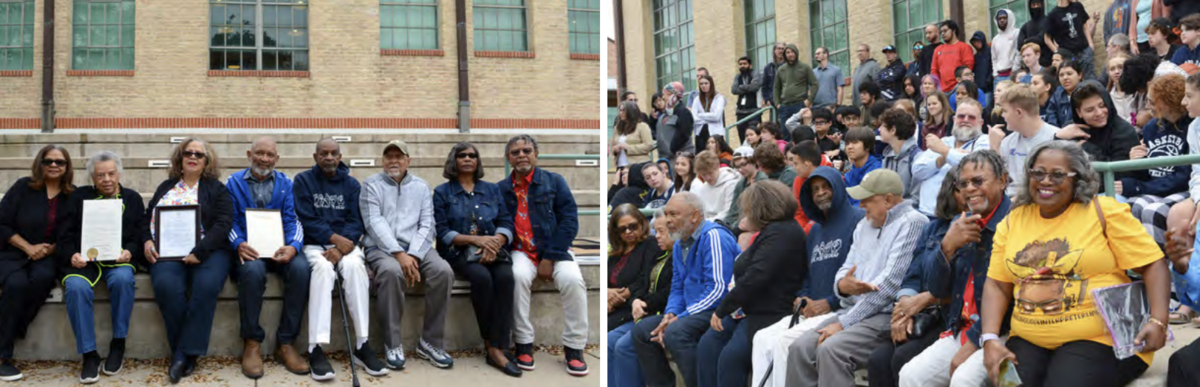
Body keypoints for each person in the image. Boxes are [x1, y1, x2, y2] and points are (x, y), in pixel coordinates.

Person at [980, 141, 1170, 387]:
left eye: (1058, 175)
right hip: (1029, 338)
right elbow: (997, 283)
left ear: (1077, 178)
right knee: (1006, 384)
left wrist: (1158, 321)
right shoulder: (1014, 219)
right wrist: (990, 339)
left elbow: (1153, 264)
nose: (1046, 181)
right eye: (1038, 173)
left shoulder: (1104, 211)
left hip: (1100, 339)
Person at [785, 168, 929, 387]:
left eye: (867, 200)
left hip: (883, 314)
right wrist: (842, 286)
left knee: (831, 350)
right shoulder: (864, 225)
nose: (861, 206)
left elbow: (888, 288)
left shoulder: (913, 222)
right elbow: (844, 270)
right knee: (799, 348)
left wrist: (843, 324)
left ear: (889, 200)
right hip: (852, 310)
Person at [897, 151, 1012, 387]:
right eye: (964, 184)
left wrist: (972, 341)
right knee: (910, 375)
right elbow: (937, 289)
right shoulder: (962, 223)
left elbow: (1008, 301)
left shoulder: (1015, 222)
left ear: (1002, 180)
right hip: (963, 326)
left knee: (964, 380)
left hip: (1004, 331)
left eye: (978, 181)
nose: (970, 189)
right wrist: (947, 247)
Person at [750, 166, 863, 387]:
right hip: (812, 310)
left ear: (838, 187)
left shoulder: (858, 220)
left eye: (825, 187)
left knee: (784, 342)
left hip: (842, 309)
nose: (820, 193)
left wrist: (829, 302)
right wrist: (803, 298)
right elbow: (807, 274)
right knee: (761, 338)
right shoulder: (815, 230)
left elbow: (859, 273)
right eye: (815, 189)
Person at [141, 138, 233, 384]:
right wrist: (147, 242)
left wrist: (200, 251)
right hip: (168, 253)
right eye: (188, 153)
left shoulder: (216, 189)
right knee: (166, 286)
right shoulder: (166, 187)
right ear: (179, 158)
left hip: (210, 252)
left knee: (205, 286)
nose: (193, 157)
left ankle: (181, 355)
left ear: (206, 162)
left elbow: (224, 223)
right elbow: (147, 218)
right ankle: (188, 352)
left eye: (199, 155)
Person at [697, 181, 806, 387]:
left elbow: (757, 276)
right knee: (708, 345)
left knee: (731, 359)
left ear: (759, 209)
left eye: (748, 209)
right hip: (748, 309)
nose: (745, 214)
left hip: (770, 312)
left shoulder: (783, 233)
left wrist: (722, 309)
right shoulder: (770, 232)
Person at [498, 135, 589, 376]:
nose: (521, 156)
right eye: (515, 152)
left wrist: (550, 257)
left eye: (526, 150)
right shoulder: (501, 189)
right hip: (521, 251)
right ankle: (524, 343)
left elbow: (569, 222)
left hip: (555, 250)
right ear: (508, 158)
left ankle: (574, 347)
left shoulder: (554, 182)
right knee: (516, 277)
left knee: (573, 281)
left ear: (536, 154)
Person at [361, 140, 454, 373]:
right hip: (381, 249)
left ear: (408, 161)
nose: (394, 161)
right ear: (383, 161)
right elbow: (374, 223)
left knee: (443, 272)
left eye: (399, 156)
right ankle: (392, 344)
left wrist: (412, 253)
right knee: (392, 272)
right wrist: (399, 254)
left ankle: (430, 342)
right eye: (389, 157)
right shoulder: (371, 185)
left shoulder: (421, 187)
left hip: (417, 248)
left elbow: (427, 224)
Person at [430, 141, 520, 376]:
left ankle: (499, 343)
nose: (468, 159)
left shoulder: (492, 190)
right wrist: (475, 241)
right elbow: (441, 231)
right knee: (482, 279)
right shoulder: (442, 192)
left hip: (493, 249)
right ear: (454, 160)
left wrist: (496, 241)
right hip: (459, 253)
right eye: (462, 155)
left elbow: (506, 221)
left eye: (473, 155)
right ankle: (492, 345)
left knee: (506, 278)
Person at [631, 192, 740, 387]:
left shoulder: (713, 236)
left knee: (675, 332)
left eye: (674, 214)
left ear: (695, 216)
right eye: (667, 214)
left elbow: (718, 290)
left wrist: (682, 316)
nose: (669, 220)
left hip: (719, 310)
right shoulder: (680, 243)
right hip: (690, 311)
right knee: (642, 331)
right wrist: (671, 313)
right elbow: (677, 287)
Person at [291, 138, 379, 380]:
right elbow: (305, 217)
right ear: (315, 156)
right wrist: (331, 238)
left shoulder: (351, 184)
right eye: (324, 153)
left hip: (346, 245)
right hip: (314, 244)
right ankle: (315, 347)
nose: (329, 157)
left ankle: (362, 343)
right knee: (322, 269)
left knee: (355, 269)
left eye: (333, 153)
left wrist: (341, 247)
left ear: (340, 157)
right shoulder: (303, 181)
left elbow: (356, 220)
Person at [868, 168, 963, 387]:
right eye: (962, 186)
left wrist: (925, 300)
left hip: (948, 315)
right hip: (920, 313)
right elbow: (913, 276)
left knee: (903, 359)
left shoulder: (979, 231)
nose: (970, 191)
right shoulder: (932, 229)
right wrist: (904, 308)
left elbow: (967, 286)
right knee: (878, 360)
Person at [226, 137, 310, 379]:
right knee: (252, 272)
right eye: (259, 153)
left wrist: (293, 246)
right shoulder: (233, 183)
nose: (264, 159)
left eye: (269, 155)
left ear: (277, 159)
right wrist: (238, 243)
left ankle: (286, 343)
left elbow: (293, 220)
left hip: (279, 248)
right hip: (248, 249)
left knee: (302, 269)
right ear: (249, 155)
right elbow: (229, 220)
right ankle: (252, 343)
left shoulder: (286, 184)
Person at [57, 151, 140, 384]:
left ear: (119, 173)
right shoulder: (78, 197)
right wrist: (71, 255)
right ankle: (89, 354)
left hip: (117, 261)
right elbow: (64, 235)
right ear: (92, 178)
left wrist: (129, 251)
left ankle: (118, 343)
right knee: (75, 287)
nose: (106, 179)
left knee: (123, 280)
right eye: (100, 175)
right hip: (83, 263)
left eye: (111, 174)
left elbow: (138, 235)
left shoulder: (132, 198)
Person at [0, 145, 73, 382]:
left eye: (59, 162)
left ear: (66, 167)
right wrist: (28, 247)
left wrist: (49, 249)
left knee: (42, 279)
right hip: (13, 252)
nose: (53, 165)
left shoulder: (71, 195)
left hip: (49, 254)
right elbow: (2, 223)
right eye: (48, 161)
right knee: (16, 284)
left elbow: (70, 232)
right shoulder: (23, 187)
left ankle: (15, 326)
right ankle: (3, 356)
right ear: (40, 164)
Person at [1126, 74, 1193, 246]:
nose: (1148, 106)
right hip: (1157, 187)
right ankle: (1139, 264)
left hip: (1184, 189)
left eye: (1153, 102)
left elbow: (1183, 176)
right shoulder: (1151, 127)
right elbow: (1148, 172)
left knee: (1153, 211)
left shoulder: (1190, 127)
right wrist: (1137, 161)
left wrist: (1140, 187)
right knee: (1132, 205)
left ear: (1169, 102)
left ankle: (1160, 264)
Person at [610, 211, 675, 387]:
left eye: (661, 231)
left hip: (661, 313)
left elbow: (670, 291)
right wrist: (636, 300)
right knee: (610, 340)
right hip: (643, 311)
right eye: (622, 229)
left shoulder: (656, 249)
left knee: (623, 346)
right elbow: (645, 284)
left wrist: (641, 302)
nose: (657, 237)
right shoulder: (661, 254)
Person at [913, 98, 992, 217]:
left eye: (971, 117)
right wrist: (942, 158)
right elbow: (917, 171)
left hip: (959, 217)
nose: (965, 120)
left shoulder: (984, 141)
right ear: (954, 120)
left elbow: (975, 168)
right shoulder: (945, 141)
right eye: (961, 116)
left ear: (981, 123)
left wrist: (943, 151)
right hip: (925, 213)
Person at [992, 84, 1061, 196]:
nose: (1003, 115)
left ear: (1019, 113)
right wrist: (994, 149)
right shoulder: (1007, 142)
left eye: (1005, 111)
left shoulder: (1055, 138)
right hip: (1009, 201)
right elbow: (997, 181)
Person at [1052, 80, 1140, 167]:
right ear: (1079, 112)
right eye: (1090, 110)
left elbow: (1121, 173)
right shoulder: (1071, 130)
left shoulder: (1124, 132)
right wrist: (1059, 137)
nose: (1098, 113)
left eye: (1102, 106)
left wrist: (1088, 149)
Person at [774, 44, 820, 142]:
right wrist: (777, 103)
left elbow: (815, 84)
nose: (790, 54)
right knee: (785, 134)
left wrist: (809, 101)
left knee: (800, 133)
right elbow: (776, 87)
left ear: (796, 53)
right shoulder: (781, 70)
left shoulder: (805, 67)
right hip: (784, 106)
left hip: (800, 104)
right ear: (785, 55)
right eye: (788, 52)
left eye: (792, 52)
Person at [788, 141, 834, 232]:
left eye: (796, 164)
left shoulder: (832, 177)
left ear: (806, 164)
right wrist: (800, 232)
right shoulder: (798, 181)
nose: (794, 167)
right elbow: (799, 213)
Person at [880, 108, 923, 204]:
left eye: (882, 126)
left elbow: (916, 199)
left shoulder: (917, 158)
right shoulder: (887, 157)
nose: (879, 129)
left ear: (893, 130)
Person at [1044, 0, 1095, 81]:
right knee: (1073, 82)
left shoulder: (1077, 6)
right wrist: (1058, 53)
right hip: (1069, 56)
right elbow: (1047, 39)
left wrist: (1091, 44)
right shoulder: (1052, 15)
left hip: (1084, 51)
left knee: (1091, 80)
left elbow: (1084, 26)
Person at [723, 147, 767, 231]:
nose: (740, 170)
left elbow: (760, 212)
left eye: (743, 164)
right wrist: (726, 224)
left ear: (753, 161)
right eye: (737, 167)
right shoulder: (740, 184)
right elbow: (733, 211)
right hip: (739, 225)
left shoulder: (763, 180)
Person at [690, 151, 741, 222]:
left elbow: (729, 212)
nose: (708, 178)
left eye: (710, 173)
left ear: (717, 167)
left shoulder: (731, 183)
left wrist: (706, 223)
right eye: (704, 175)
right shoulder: (704, 187)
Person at [933, 20, 975, 93]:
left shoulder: (964, 47)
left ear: (953, 30)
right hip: (942, 90)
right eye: (941, 32)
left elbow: (968, 68)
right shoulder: (937, 50)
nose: (943, 34)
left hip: (960, 88)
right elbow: (934, 70)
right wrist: (938, 86)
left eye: (945, 31)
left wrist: (961, 84)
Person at [844, 126, 883, 206]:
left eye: (855, 142)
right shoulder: (848, 172)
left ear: (867, 146)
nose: (849, 147)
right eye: (847, 143)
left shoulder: (878, 170)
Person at [658, 82, 696, 159]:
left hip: (681, 157)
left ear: (671, 94)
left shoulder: (683, 112)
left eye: (664, 94)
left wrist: (671, 149)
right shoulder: (668, 113)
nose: (663, 97)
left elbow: (684, 134)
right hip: (669, 156)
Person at [613, 101, 656, 168]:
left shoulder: (642, 126)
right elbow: (613, 146)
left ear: (631, 112)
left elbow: (648, 145)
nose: (620, 113)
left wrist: (628, 148)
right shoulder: (617, 128)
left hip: (638, 164)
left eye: (624, 110)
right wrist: (615, 149)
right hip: (620, 165)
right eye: (620, 110)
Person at [691, 75, 726, 151]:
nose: (703, 86)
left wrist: (700, 115)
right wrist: (709, 118)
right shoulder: (697, 99)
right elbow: (693, 118)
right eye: (701, 84)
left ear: (711, 84)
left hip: (715, 133)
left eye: (706, 83)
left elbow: (716, 116)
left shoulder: (719, 98)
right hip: (700, 133)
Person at [733, 56, 764, 139]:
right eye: (740, 64)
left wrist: (742, 87)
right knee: (742, 136)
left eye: (744, 64)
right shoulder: (737, 77)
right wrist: (748, 87)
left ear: (750, 65)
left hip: (754, 111)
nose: (742, 66)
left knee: (755, 135)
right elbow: (734, 90)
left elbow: (755, 87)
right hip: (740, 112)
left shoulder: (756, 74)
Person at [993, 9, 1021, 85]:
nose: (1002, 20)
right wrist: (995, 74)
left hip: (1013, 74)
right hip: (999, 77)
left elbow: (1019, 53)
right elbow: (994, 59)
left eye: (1004, 18)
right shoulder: (995, 39)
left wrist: (1014, 70)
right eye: (999, 18)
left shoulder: (1016, 33)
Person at [852, 44, 882, 108]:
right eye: (858, 51)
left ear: (868, 52)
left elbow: (878, 85)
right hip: (858, 106)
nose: (859, 53)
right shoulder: (857, 69)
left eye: (862, 51)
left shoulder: (874, 66)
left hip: (870, 106)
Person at [762, 43, 787, 107]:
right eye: (778, 49)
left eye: (783, 49)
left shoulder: (789, 66)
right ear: (774, 51)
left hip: (787, 101)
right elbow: (764, 86)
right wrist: (766, 99)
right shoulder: (768, 68)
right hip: (773, 103)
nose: (781, 51)